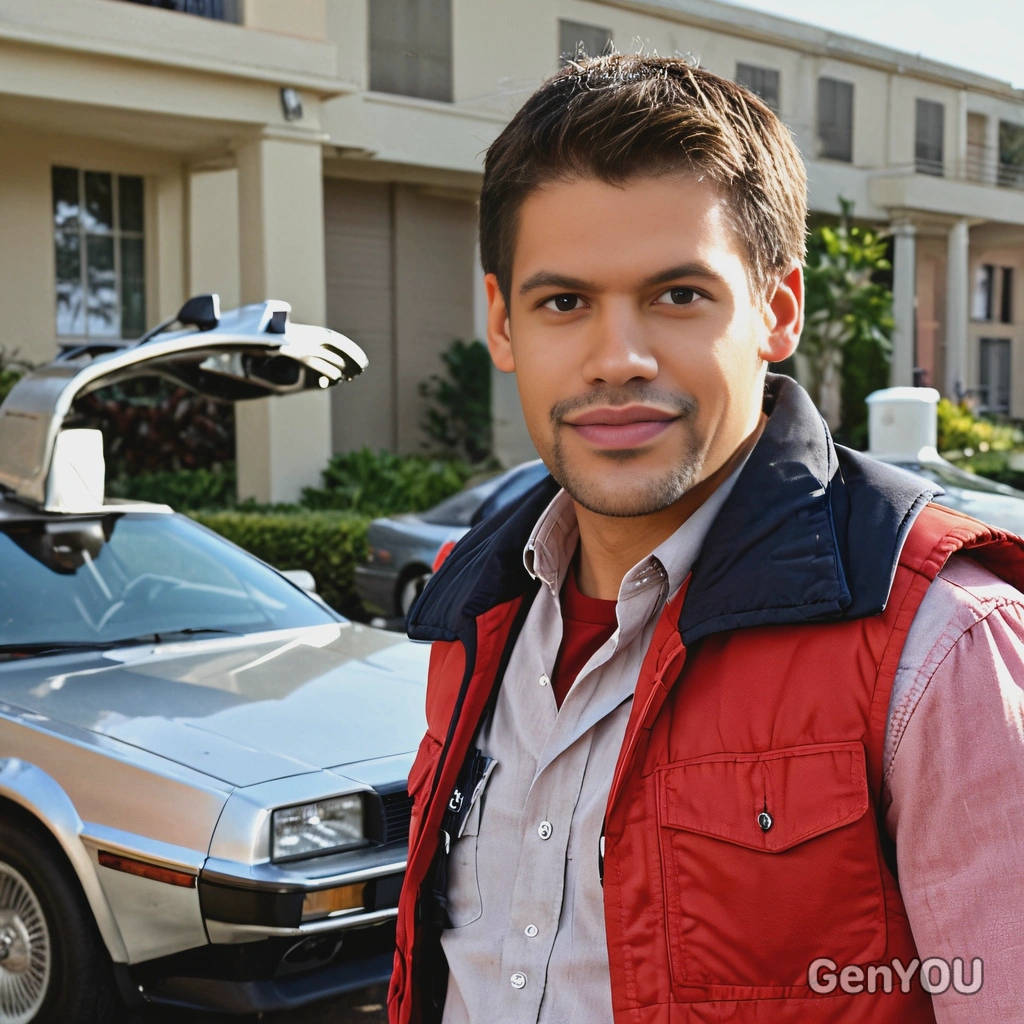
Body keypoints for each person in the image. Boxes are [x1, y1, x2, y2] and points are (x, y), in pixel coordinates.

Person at [388, 54, 1024, 1024]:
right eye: (564, 302)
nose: (618, 358)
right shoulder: (472, 607)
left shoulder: (941, 644)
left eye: (678, 295)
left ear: (776, 311)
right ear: (502, 323)